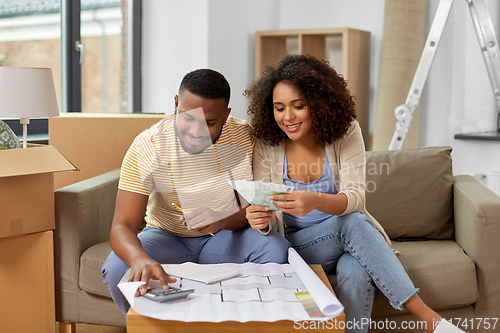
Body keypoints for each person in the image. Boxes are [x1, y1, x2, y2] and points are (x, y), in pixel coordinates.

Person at [244, 54, 465, 333]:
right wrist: (259, 220)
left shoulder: (345, 132)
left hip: (348, 240)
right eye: (279, 108)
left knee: (356, 271)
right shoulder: (267, 143)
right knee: (352, 223)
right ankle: (430, 320)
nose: (287, 117)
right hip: (299, 245)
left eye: (298, 106)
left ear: (318, 104)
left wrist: (314, 200)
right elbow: (265, 208)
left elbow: (356, 197)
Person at [102, 68, 290, 316]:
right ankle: (147, 329)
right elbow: (121, 225)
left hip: (225, 237)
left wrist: (220, 218)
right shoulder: (148, 145)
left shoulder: (243, 136)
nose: (195, 132)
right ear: (177, 103)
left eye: (209, 123)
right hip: (167, 237)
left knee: (277, 249)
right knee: (117, 267)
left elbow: (249, 210)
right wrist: (138, 258)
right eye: (188, 117)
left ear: (226, 115)